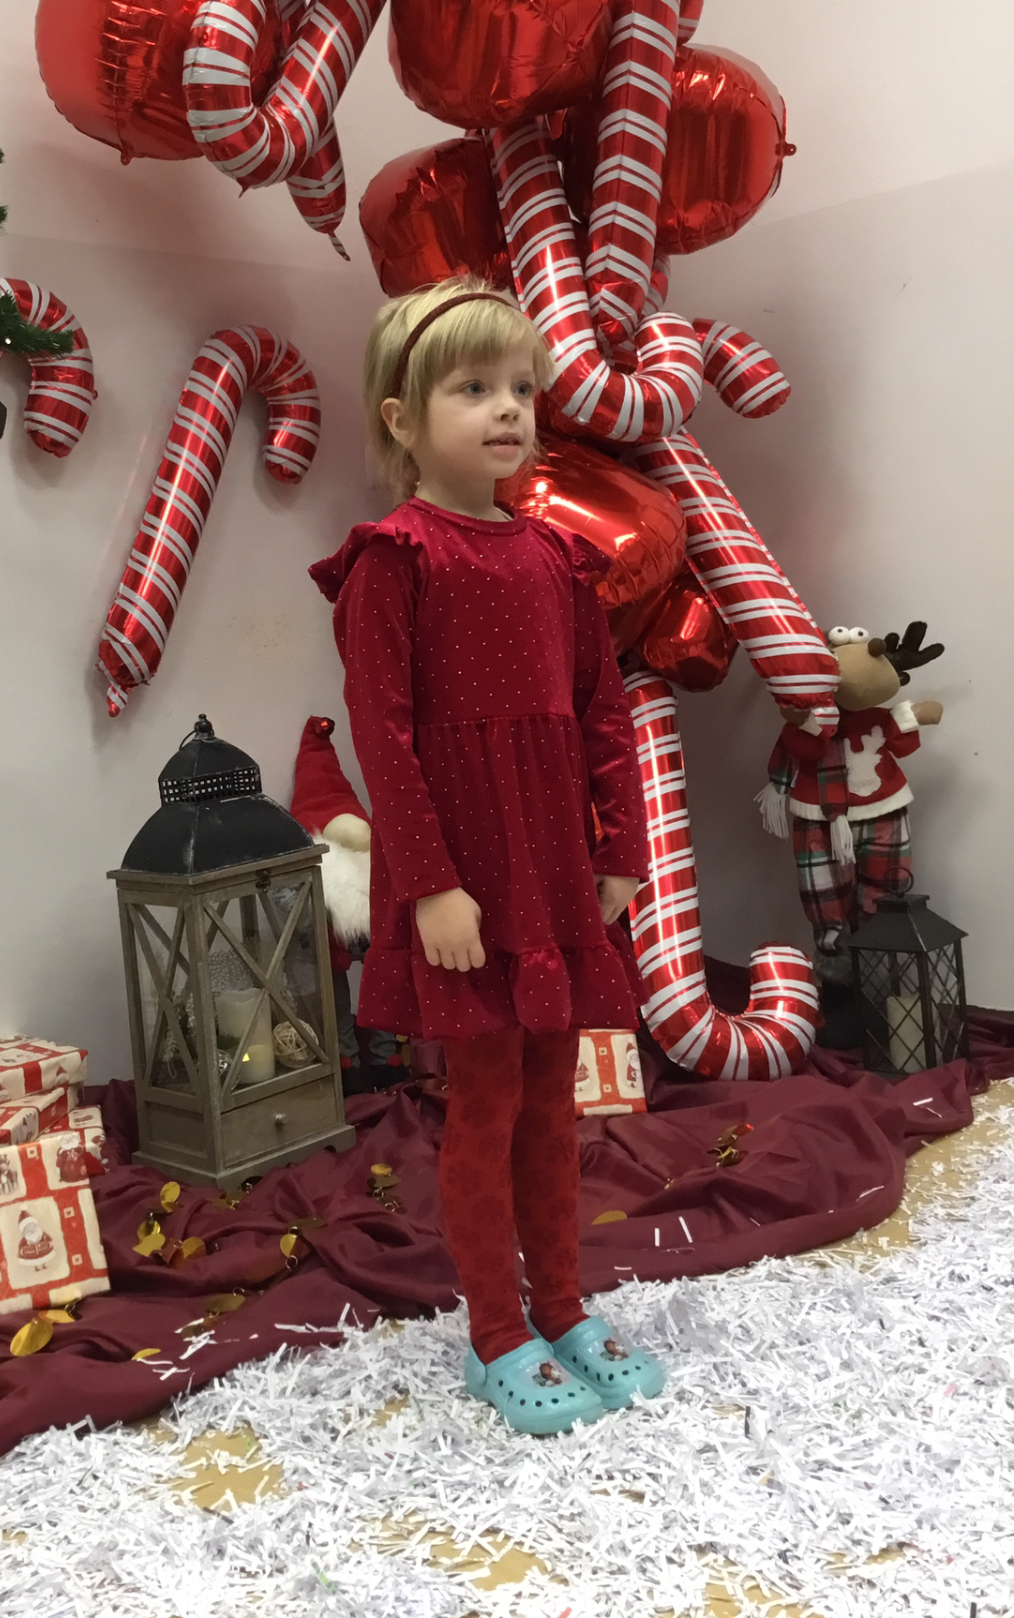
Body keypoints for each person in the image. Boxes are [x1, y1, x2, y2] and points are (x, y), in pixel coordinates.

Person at [309, 278, 666, 1435]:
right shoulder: (394, 562)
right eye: (473, 388)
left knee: (555, 1102)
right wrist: (432, 887)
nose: (509, 408)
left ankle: (560, 1304)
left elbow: (603, 712)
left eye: (520, 386)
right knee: (488, 1100)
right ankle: (496, 1332)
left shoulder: (559, 560)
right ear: (404, 418)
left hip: (552, 869)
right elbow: (385, 738)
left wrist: (620, 847)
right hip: (465, 876)